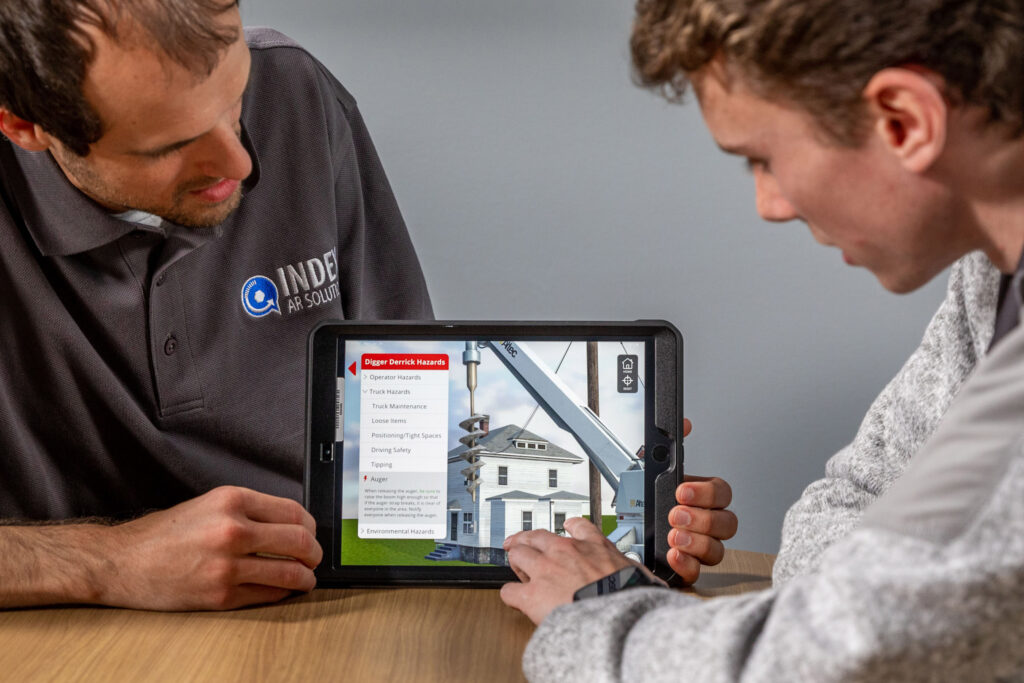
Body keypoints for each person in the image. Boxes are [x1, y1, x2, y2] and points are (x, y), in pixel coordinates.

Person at [500, 1, 1024, 679]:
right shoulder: (989, 281)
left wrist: (604, 608)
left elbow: (852, 648)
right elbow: (840, 510)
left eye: (764, 159)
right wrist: (860, 602)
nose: (769, 205)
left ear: (906, 119)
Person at [0, 0, 437, 610]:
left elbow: (407, 410)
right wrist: (110, 563)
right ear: (25, 127)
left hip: (328, 603)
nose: (242, 164)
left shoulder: (297, 90)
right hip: (62, 633)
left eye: (235, 100)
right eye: (169, 144)